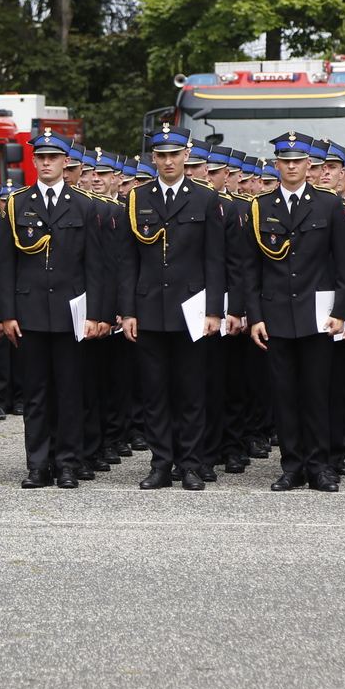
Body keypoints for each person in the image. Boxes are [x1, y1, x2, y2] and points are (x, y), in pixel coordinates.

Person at [0, 131, 110, 490]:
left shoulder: (85, 205)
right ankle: (37, 464)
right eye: (40, 157)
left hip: (70, 311)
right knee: (36, 393)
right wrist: (7, 313)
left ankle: (68, 464)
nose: (46, 163)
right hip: (29, 312)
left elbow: (97, 265)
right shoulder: (16, 204)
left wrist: (96, 314)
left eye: (53, 158)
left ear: (65, 163)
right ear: (33, 162)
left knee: (70, 391)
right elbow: (4, 266)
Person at [115, 125, 227, 490]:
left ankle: (191, 465)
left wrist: (214, 311)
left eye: (174, 155)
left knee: (192, 391)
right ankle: (161, 463)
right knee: (154, 392)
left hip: (191, 308)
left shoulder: (206, 198)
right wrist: (127, 311)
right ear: (153, 158)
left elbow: (215, 260)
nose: (167, 161)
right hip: (148, 308)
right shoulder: (137, 198)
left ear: (186, 155)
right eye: (160, 155)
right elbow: (127, 260)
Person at [246, 132, 345, 493]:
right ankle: (291, 465)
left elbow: (344, 264)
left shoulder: (328, 205)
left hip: (317, 314)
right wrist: (256, 316)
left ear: (310, 165)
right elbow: (252, 269)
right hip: (276, 314)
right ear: (276, 165)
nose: (291, 167)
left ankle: (320, 466)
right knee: (284, 395)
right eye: (284, 161)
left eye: (298, 161)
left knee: (316, 393)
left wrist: (341, 311)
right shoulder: (261, 206)